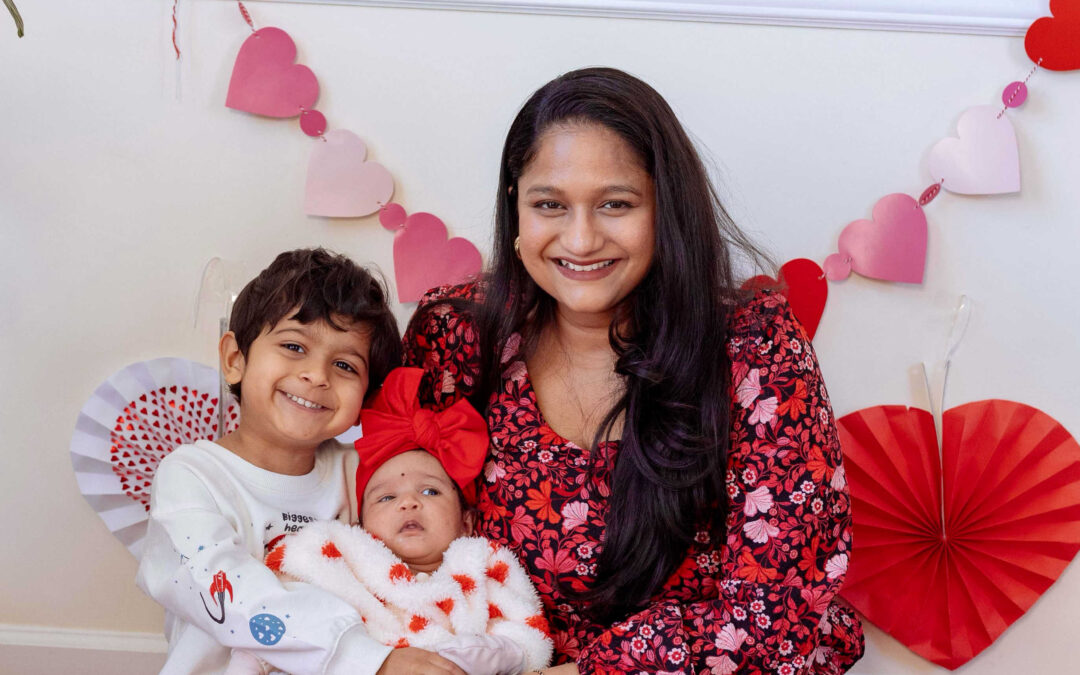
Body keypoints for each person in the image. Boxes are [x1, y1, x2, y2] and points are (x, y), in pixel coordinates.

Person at [403, 67, 865, 673]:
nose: (581, 237)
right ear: (515, 208)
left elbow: (778, 609)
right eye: (550, 205)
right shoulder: (456, 336)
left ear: (664, 210)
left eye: (615, 204)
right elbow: (382, 520)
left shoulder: (756, 346)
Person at [136, 249, 467, 675]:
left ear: (365, 396)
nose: (317, 375)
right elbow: (222, 589)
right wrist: (369, 660)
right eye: (294, 346)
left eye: (345, 365)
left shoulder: (361, 476)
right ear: (235, 360)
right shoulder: (192, 475)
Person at [236, 367, 553, 675]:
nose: (409, 502)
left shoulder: (480, 568)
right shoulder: (341, 558)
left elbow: (526, 635)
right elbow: (281, 616)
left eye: (430, 491)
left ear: (466, 523)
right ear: (361, 523)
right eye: (386, 498)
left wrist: (486, 654)